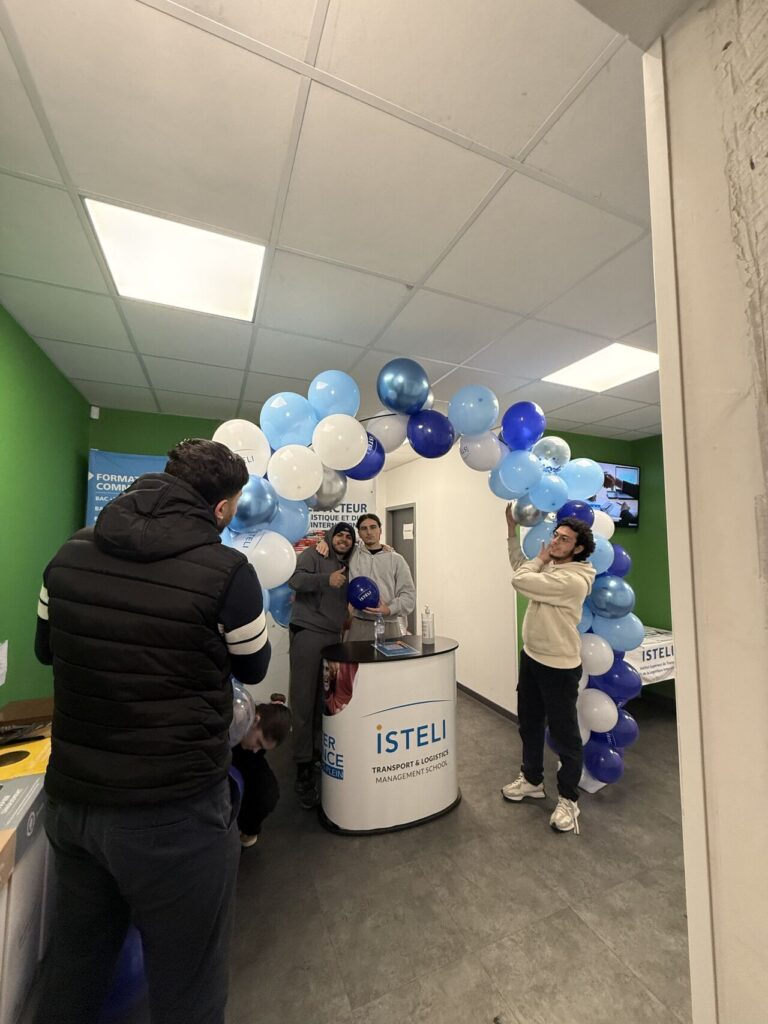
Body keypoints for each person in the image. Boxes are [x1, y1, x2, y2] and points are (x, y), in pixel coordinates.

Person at [33, 438, 271, 1024]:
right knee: (187, 983)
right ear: (221, 507)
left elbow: (46, 650)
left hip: (75, 801)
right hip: (175, 810)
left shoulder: (67, 554)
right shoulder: (227, 572)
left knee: (74, 967)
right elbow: (254, 667)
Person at [502, 504, 596, 835]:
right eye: (555, 536)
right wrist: (512, 531)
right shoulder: (550, 569)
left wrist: (539, 560)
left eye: (563, 539)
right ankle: (531, 779)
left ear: (579, 548)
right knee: (529, 724)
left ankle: (569, 800)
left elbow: (520, 578)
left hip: (559, 667)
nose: (554, 542)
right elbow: (521, 567)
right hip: (532, 658)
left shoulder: (574, 580)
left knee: (564, 736)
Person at [287, 521, 355, 809]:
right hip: (308, 633)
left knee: (322, 702)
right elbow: (294, 580)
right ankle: (302, 769)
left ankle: (315, 755)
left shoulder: (352, 562)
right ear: (330, 536)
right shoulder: (315, 553)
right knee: (303, 702)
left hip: (333, 638)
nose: (343, 539)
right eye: (339, 535)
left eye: (348, 537)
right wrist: (325, 580)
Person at [231, 694, 292, 848]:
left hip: (241, 756)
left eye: (262, 748)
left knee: (268, 793)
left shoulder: (253, 750)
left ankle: (247, 830)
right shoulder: (232, 717)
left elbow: (254, 751)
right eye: (258, 742)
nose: (256, 749)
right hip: (222, 750)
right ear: (255, 720)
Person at [345, 513, 416, 641]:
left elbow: (409, 597)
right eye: (364, 528)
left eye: (373, 527)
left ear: (380, 530)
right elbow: (335, 542)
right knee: (358, 661)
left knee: (387, 661)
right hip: (359, 625)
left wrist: (389, 609)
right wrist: (324, 543)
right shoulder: (352, 555)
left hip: (388, 626)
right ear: (359, 533)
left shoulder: (396, 560)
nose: (369, 532)